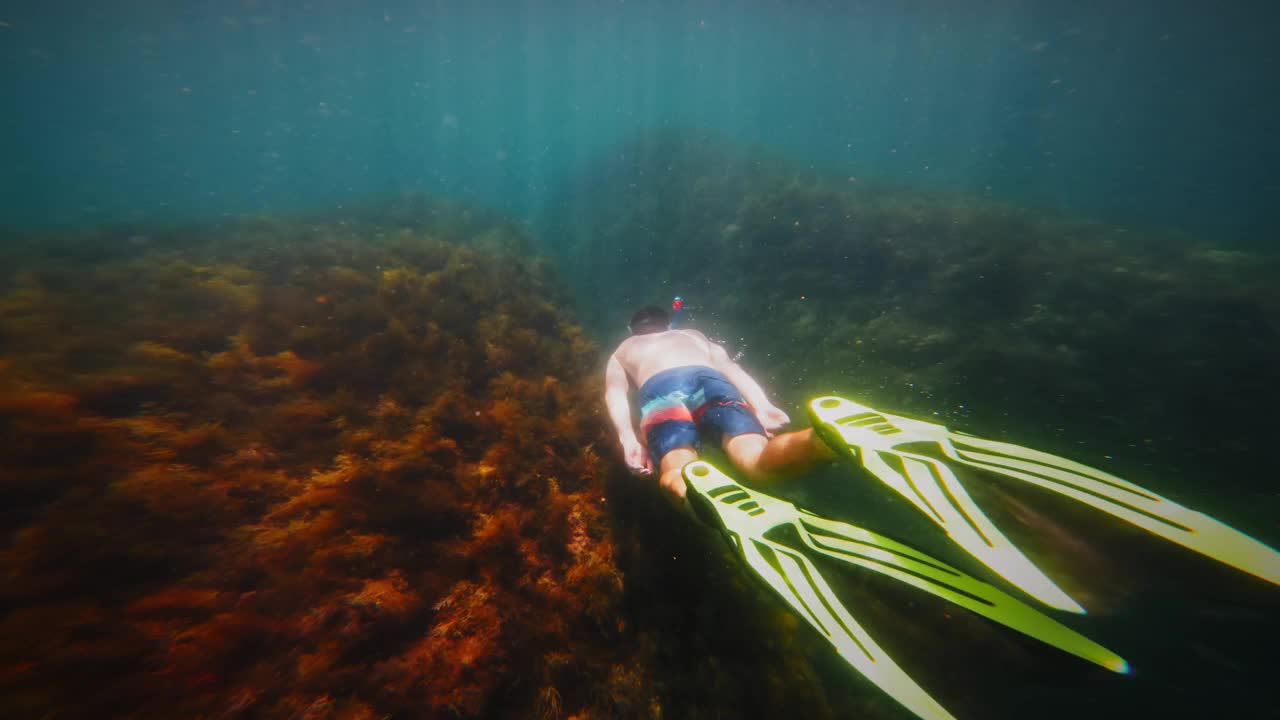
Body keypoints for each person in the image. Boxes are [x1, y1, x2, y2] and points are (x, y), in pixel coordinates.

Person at [603, 304, 834, 504]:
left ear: (632, 331)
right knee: (755, 457)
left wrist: (628, 440)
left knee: (678, 469)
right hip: (709, 378)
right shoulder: (694, 335)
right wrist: (762, 405)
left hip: (660, 388)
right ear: (668, 326)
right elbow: (732, 368)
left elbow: (615, 393)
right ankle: (822, 440)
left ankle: (697, 500)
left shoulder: (623, 349)